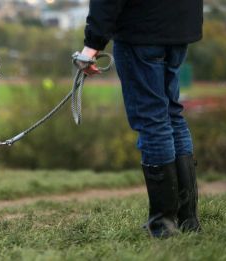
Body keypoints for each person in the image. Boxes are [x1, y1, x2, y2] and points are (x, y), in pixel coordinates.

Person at [80, 0, 203, 238]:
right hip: (180, 26)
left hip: (141, 31)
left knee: (153, 121)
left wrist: (92, 44)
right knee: (171, 116)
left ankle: (163, 225)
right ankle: (187, 220)